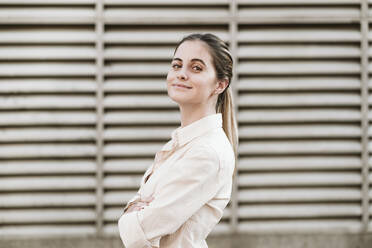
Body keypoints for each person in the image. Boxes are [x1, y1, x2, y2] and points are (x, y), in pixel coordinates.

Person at [118, 33, 238, 248]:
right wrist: (135, 209)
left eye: (196, 68)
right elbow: (138, 212)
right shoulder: (182, 143)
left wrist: (134, 212)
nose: (182, 74)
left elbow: (138, 232)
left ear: (220, 85)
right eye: (176, 65)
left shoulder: (207, 151)